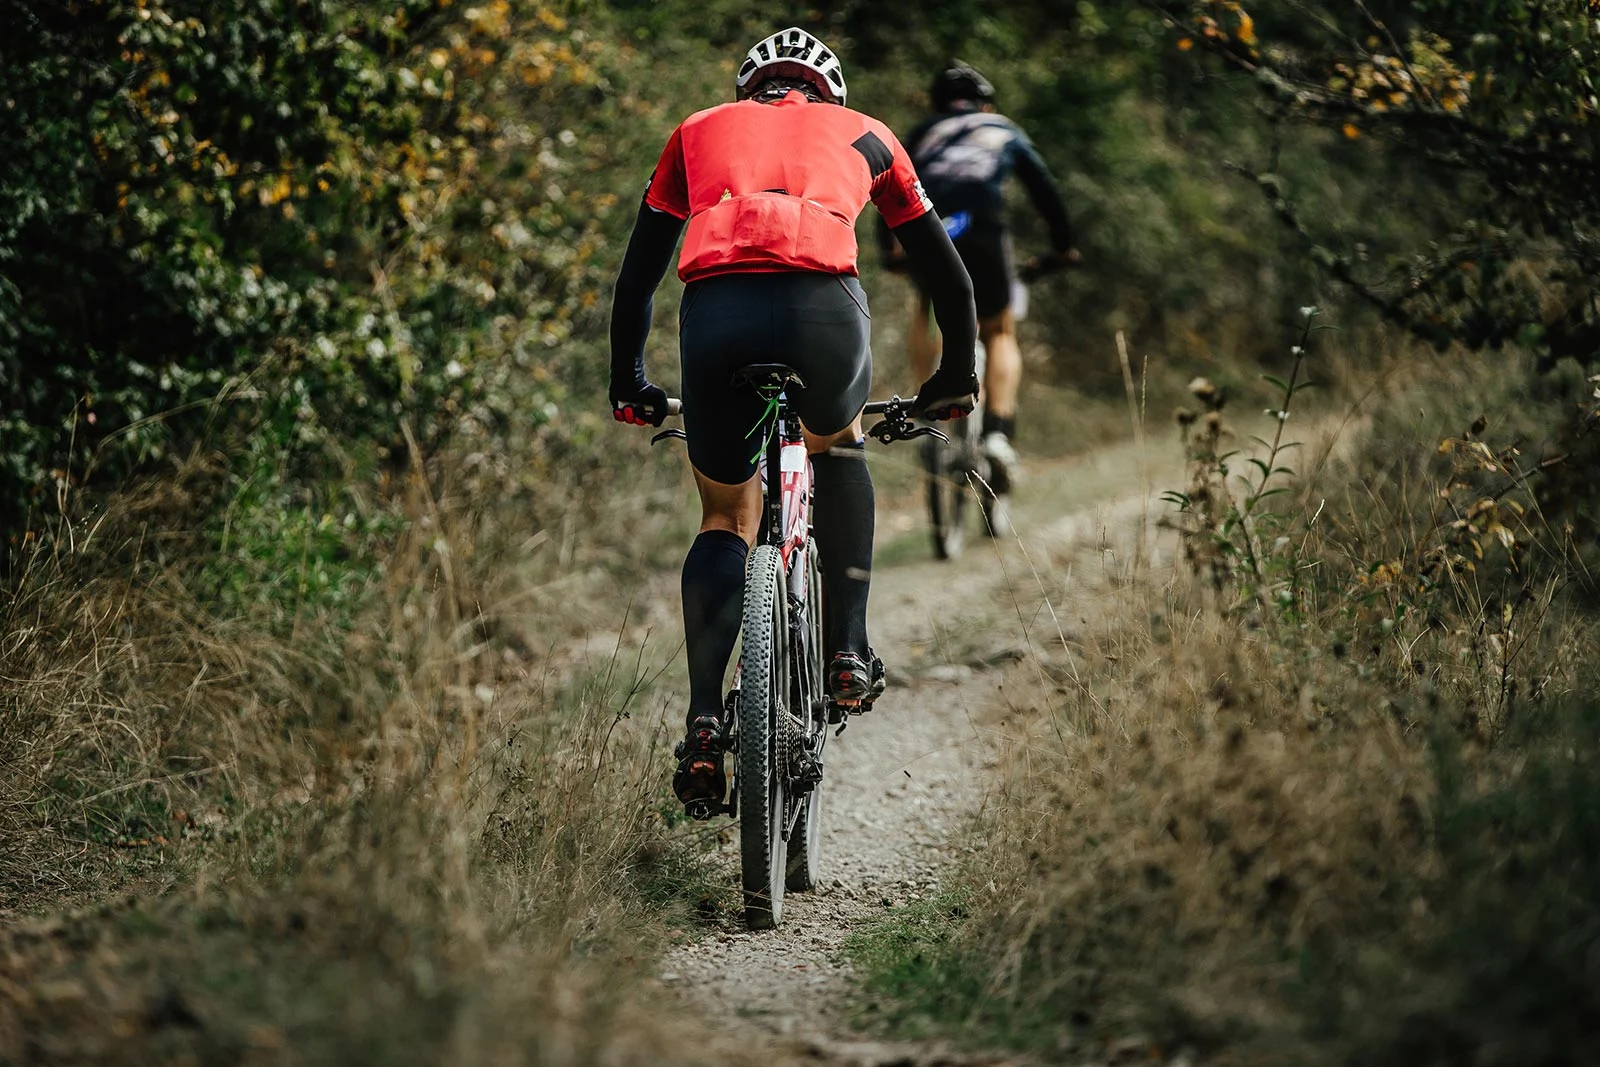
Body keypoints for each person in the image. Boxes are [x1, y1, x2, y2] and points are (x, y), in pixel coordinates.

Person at [608, 27, 980, 812]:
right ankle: (847, 649)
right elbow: (950, 277)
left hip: (718, 312)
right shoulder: (871, 134)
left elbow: (637, 277)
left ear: (751, 92)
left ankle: (706, 720)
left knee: (722, 513)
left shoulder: (698, 130)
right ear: (828, 94)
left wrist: (629, 380)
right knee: (838, 443)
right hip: (823, 311)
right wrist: (953, 375)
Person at [880, 63, 1079, 530]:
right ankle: (997, 434)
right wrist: (1063, 247)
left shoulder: (920, 133)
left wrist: (888, 250)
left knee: (927, 304)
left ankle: (928, 387)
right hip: (984, 231)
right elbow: (1045, 191)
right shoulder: (1001, 128)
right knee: (999, 329)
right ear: (984, 104)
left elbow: (886, 181)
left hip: (930, 230)